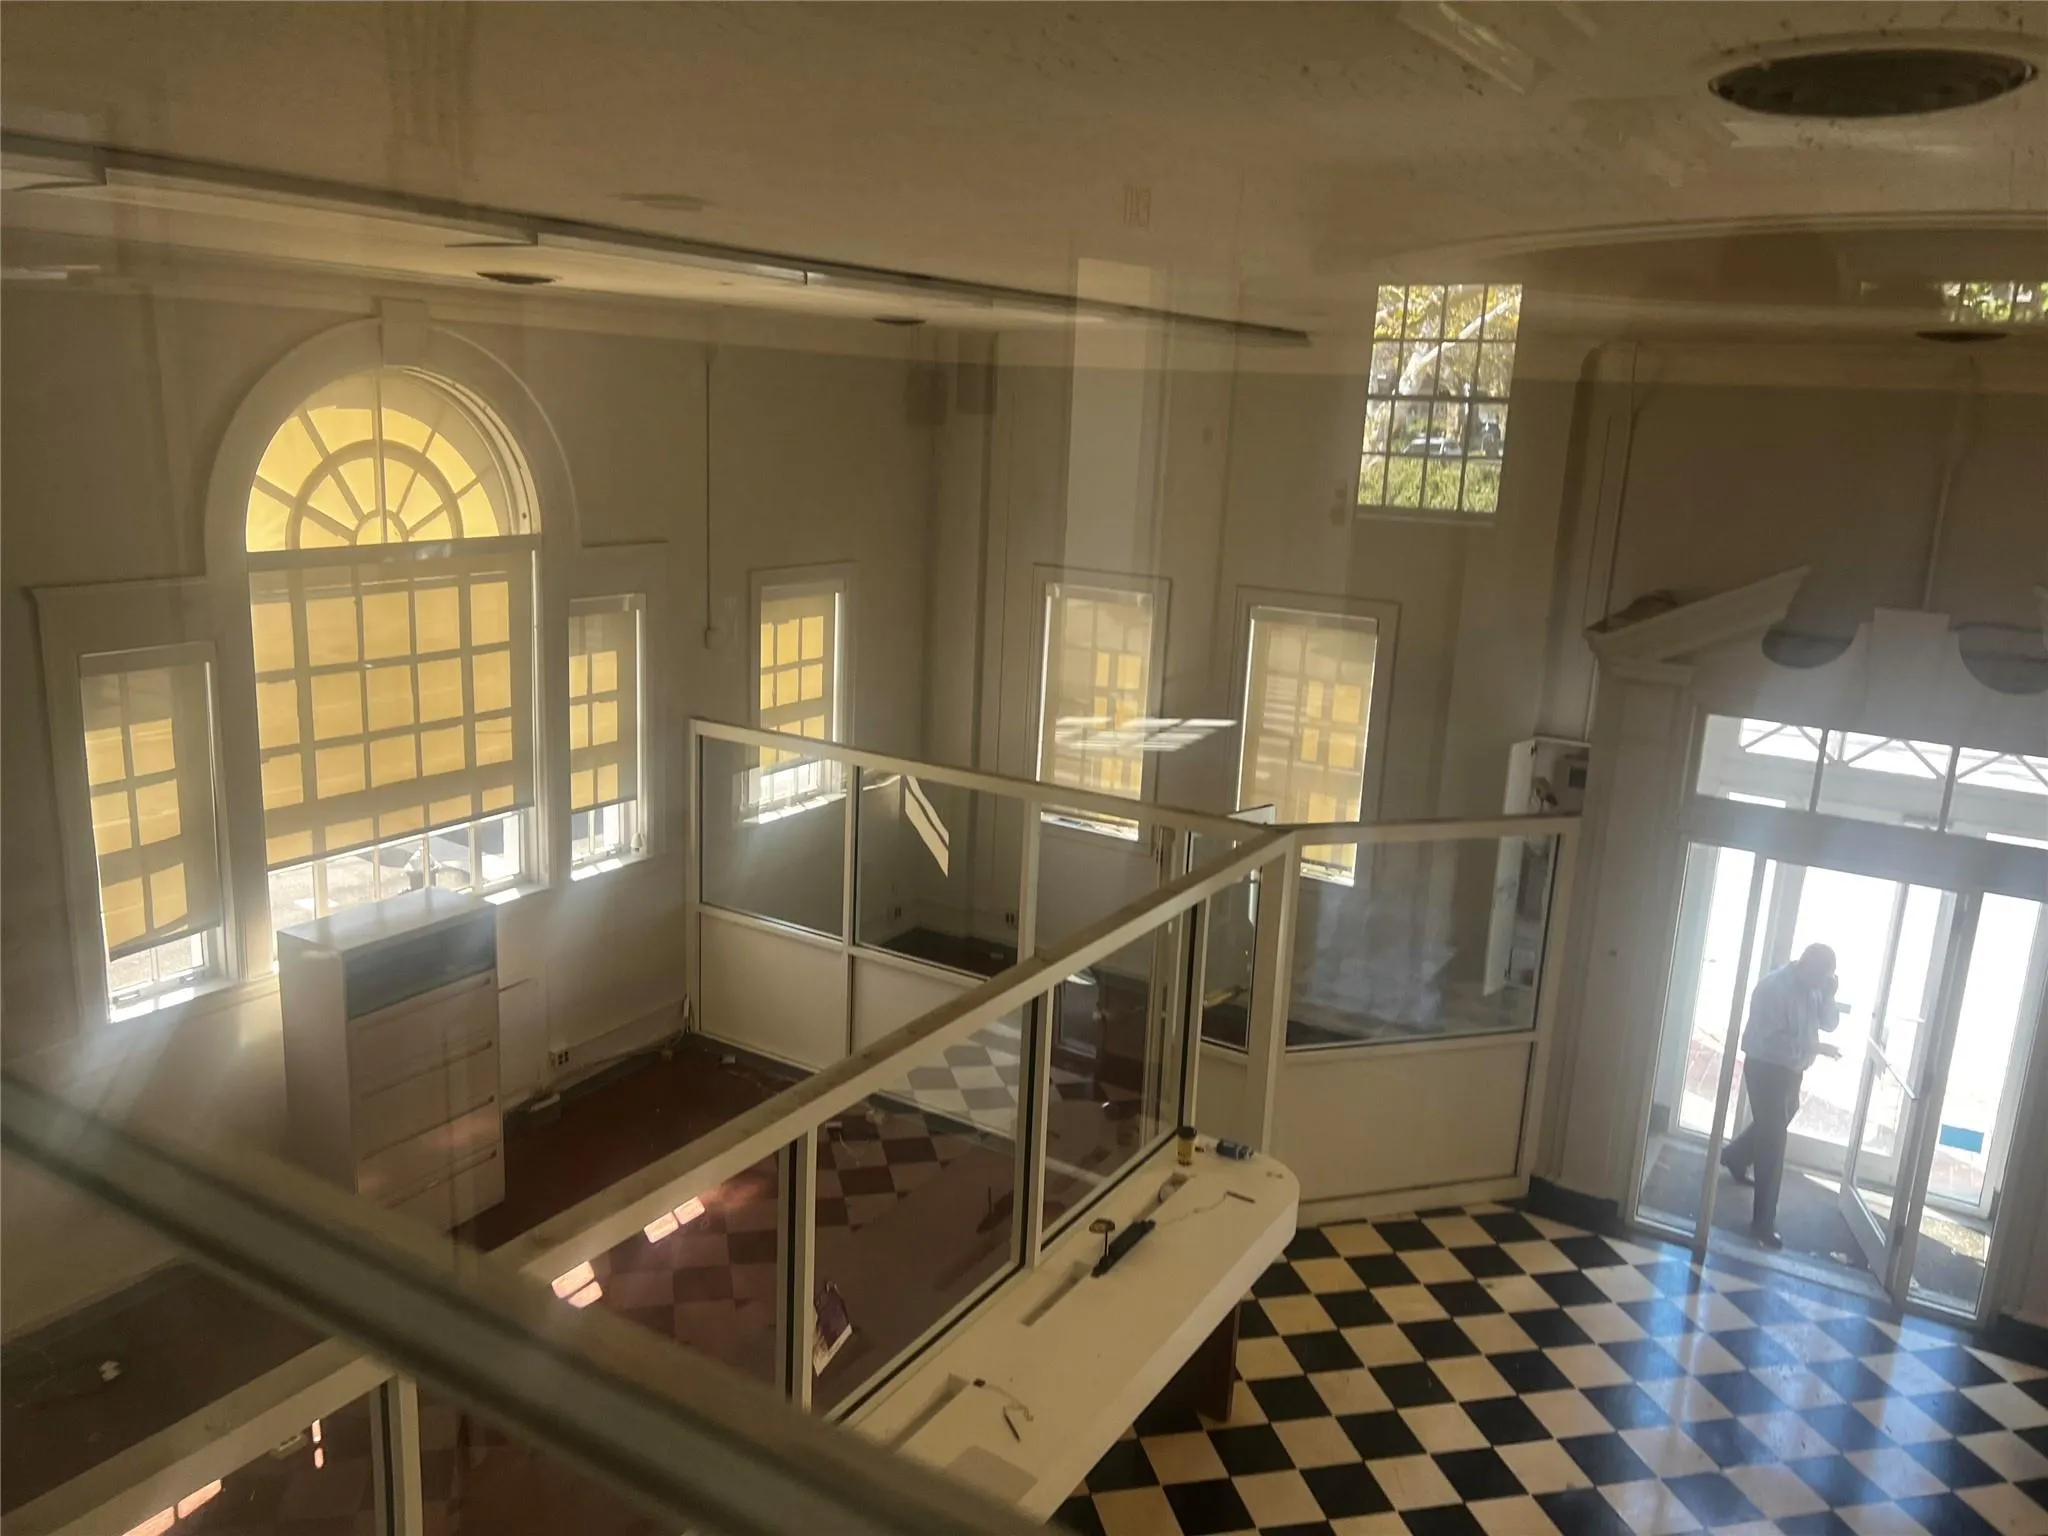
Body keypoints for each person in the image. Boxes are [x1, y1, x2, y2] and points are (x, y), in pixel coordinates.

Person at [1720, 943, 1841, 1250]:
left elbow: (1829, 1023)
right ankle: (1762, 1224)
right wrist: (1816, 1049)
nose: (1823, 982)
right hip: (1766, 1068)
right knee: (1773, 1143)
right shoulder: (1773, 989)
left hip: (1790, 1070)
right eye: (1822, 977)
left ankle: (1735, 1156)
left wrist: (1829, 994)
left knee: (1778, 1120)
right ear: (1807, 965)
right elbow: (1769, 1040)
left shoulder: (1814, 988)